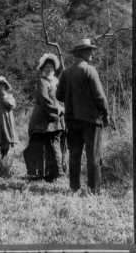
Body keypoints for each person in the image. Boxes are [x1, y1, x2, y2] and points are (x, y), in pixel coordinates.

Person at [56, 38, 109, 194]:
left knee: (75, 155)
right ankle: (94, 190)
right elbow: (100, 97)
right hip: (91, 120)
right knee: (93, 156)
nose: (92, 53)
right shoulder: (89, 70)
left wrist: (72, 100)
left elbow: (59, 95)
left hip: (72, 120)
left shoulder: (65, 73)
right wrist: (106, 114)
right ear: (82, 53)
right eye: (89, 50)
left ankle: (74, 187)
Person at [23, 53, 67, 182]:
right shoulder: (42, 81)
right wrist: (58, 110)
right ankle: (44, 173)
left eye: (51, 68)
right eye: (46, 67)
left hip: (54, 118)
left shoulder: (56, 82)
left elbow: (60, 98)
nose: (49, 70)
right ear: (42, 69)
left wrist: (63, 108)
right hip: (43, 119)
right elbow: (44, 99)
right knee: (43, 146)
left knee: (53, 145)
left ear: (54, 70)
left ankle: (55, 173)